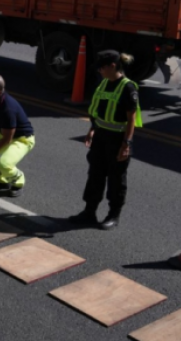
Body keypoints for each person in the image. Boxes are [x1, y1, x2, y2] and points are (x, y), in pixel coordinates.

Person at [68, 50, 143, 230]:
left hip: (118, 139)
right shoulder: (103, 84)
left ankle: (113, 215)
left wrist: (127, 144)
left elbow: (131, 119)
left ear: (112, 66)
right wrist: (92, 129)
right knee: (95, 175)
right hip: (100, 136)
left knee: (116, 179)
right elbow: (98, 111)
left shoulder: (127, 87)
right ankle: (89, 211)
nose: (99, 71)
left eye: (102, 68)